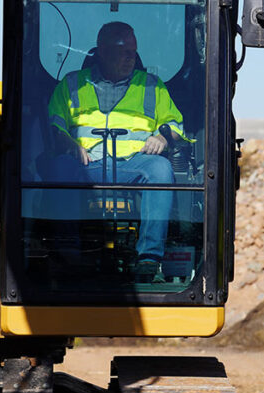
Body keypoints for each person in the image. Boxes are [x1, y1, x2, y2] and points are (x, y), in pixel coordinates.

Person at [45, 21, 187, 282]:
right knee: (59, 168)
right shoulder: (72, 84)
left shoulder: (152, 86)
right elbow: (56, 124)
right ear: (101, 52)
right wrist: (68, 144)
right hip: (86, 163)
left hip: (134, 163)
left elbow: (176, 124)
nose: (130, 58)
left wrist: (162, 139)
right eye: (122, 52)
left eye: (132, 52)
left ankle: (148, 257)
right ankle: (68, 253)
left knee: (160, 169)